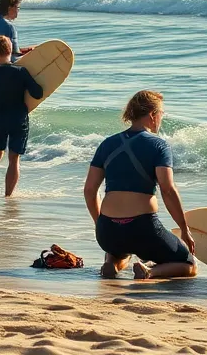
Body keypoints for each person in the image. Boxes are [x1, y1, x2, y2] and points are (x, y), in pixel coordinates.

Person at [84, 91, 196, 280]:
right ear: (152, 115)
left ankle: (111, 264)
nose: (161, 118)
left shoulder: (107, 144)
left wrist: (100, 223)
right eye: (161, 113)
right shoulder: (159, 145)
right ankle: (149, 271)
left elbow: (89, 190)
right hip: (143, 228)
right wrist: (184, 228)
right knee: (189, 264)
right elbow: (168, 190)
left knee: (120, 250)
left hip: (108, 230)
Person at [0, 35, 44, 197]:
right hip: (19, 117)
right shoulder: (21, 72)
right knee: (14, 158)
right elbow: (38, 93)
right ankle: (8, 196)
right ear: (11, 50)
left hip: (0, 117)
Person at [0, 0, 34, 71]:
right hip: (4, 73)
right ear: (10, 8)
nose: (18, 11)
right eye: (18, 7)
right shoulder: (9, 27)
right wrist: (31, 54)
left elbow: (0, 50)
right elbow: (14, 55)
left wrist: (27, 50)